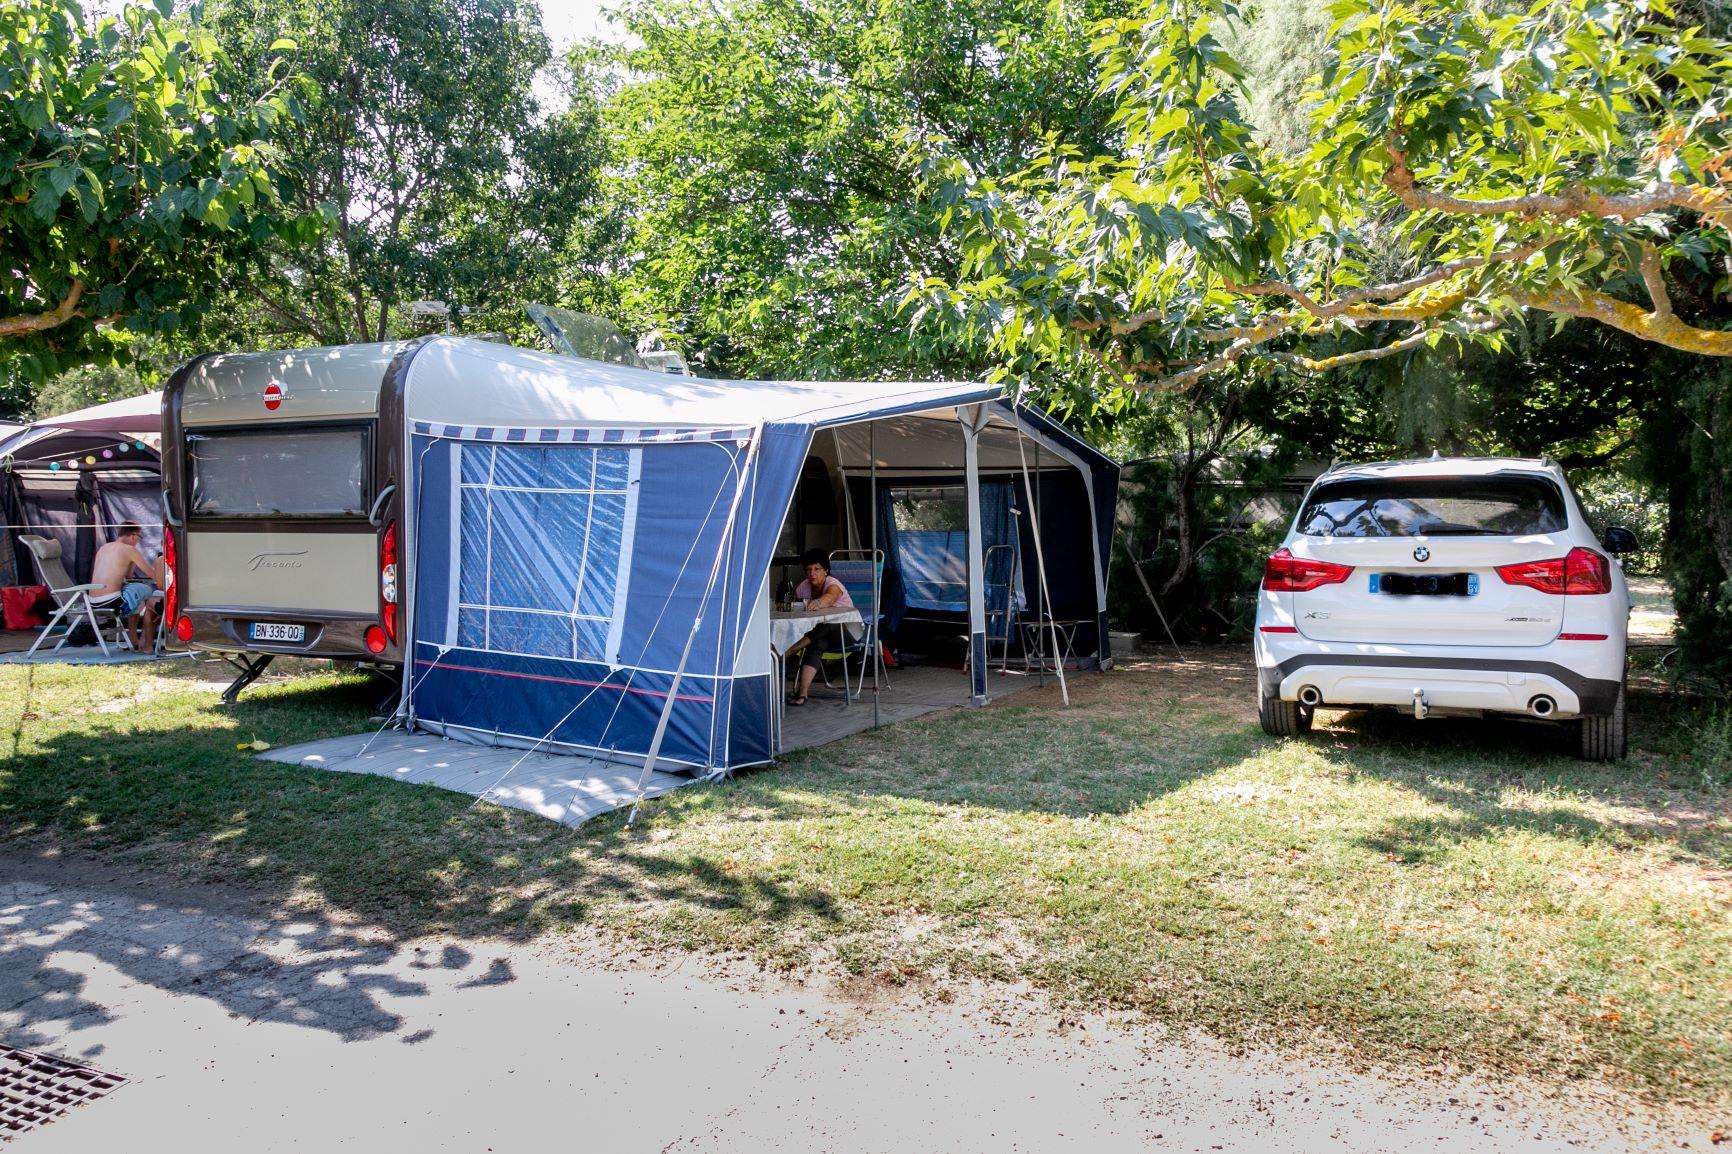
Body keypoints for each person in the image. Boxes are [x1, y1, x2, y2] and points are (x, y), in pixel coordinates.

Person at [783, 549, 854, 706]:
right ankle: (802, 694)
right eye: (808, 570)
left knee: (830, 623)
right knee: (817, 644)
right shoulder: (804, 587)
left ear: (826, 571)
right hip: (821, 636)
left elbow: (830, 597)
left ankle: (790, 650)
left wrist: (819, 602)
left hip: (848, 633)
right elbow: (796, 608)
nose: (812, 574)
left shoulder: (833, 584)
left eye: (817, 569)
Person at [91, 522, 164, 651]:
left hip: (93, 603)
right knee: (151, 591)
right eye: (139, 537)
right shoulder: (130, 550)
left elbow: (128, 577)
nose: (137, 541)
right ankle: (145, 640)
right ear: (133, 536)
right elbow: (154, 577)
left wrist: (130, 564)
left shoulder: (103, 548)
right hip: (113, 602)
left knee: (137, 593)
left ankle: (134, 637)